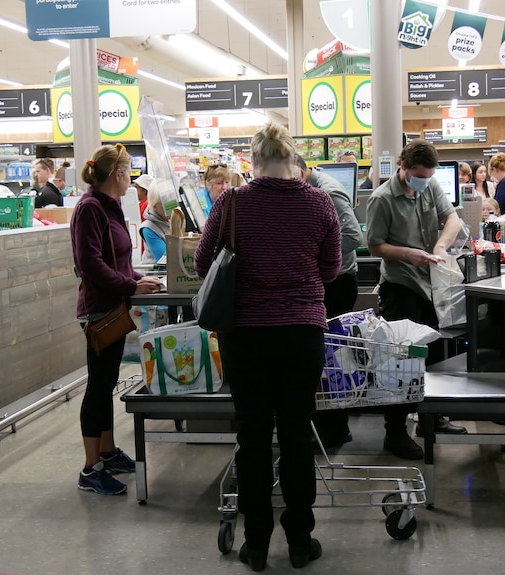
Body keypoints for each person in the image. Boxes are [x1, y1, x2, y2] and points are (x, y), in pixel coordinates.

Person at [194, 122, 340, 571]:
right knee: (297, 436)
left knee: (253, 438)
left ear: (253, 162)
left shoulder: (232, 202)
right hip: (301, 335)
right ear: (293, 158)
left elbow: (203, 263)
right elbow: (332, 268)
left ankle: (256, 544)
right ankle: (301, 541)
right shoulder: (319, 203)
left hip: (247, 336)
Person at [70, 143, 164, 496]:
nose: (132, 179)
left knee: (106, 381)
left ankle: (107, 452)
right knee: (98, 386)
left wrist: (137, 279)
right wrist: (132, 286)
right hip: (99, 309)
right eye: (129, 172)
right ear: (118, 174)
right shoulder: (90, 209)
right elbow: (90, 265)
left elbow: (116, 258)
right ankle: (90, 469)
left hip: (114, 303)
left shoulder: (108, 207)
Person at [365, 138, 467, 461]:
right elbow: (375, 245)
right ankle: (394, 432)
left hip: (431, 287)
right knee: (402, 361)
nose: (424, 181)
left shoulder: (430, 187)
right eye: (419, 175)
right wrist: (408, 254)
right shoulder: (382, 200)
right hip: (400, 287)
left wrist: (440, 247)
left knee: (435, 356)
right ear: (404, 168)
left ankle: (431, 419)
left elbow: (452, 219)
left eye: (429, 175)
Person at [295, 153, 364, 447]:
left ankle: (335, 428)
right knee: (323, 357)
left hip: (336, 283)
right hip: (325, 281)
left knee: (331, 358)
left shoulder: (328, 191)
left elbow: (353, 236)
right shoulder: (308, 188)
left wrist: (315, 255)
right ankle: (327, 425)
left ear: (300, 171)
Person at [139, 179, 172, 265]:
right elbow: (166, 261)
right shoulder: (148, 228)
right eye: (165, 204)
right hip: (155, 276)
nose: (171, 208)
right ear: (154, 206)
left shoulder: (170, 221)